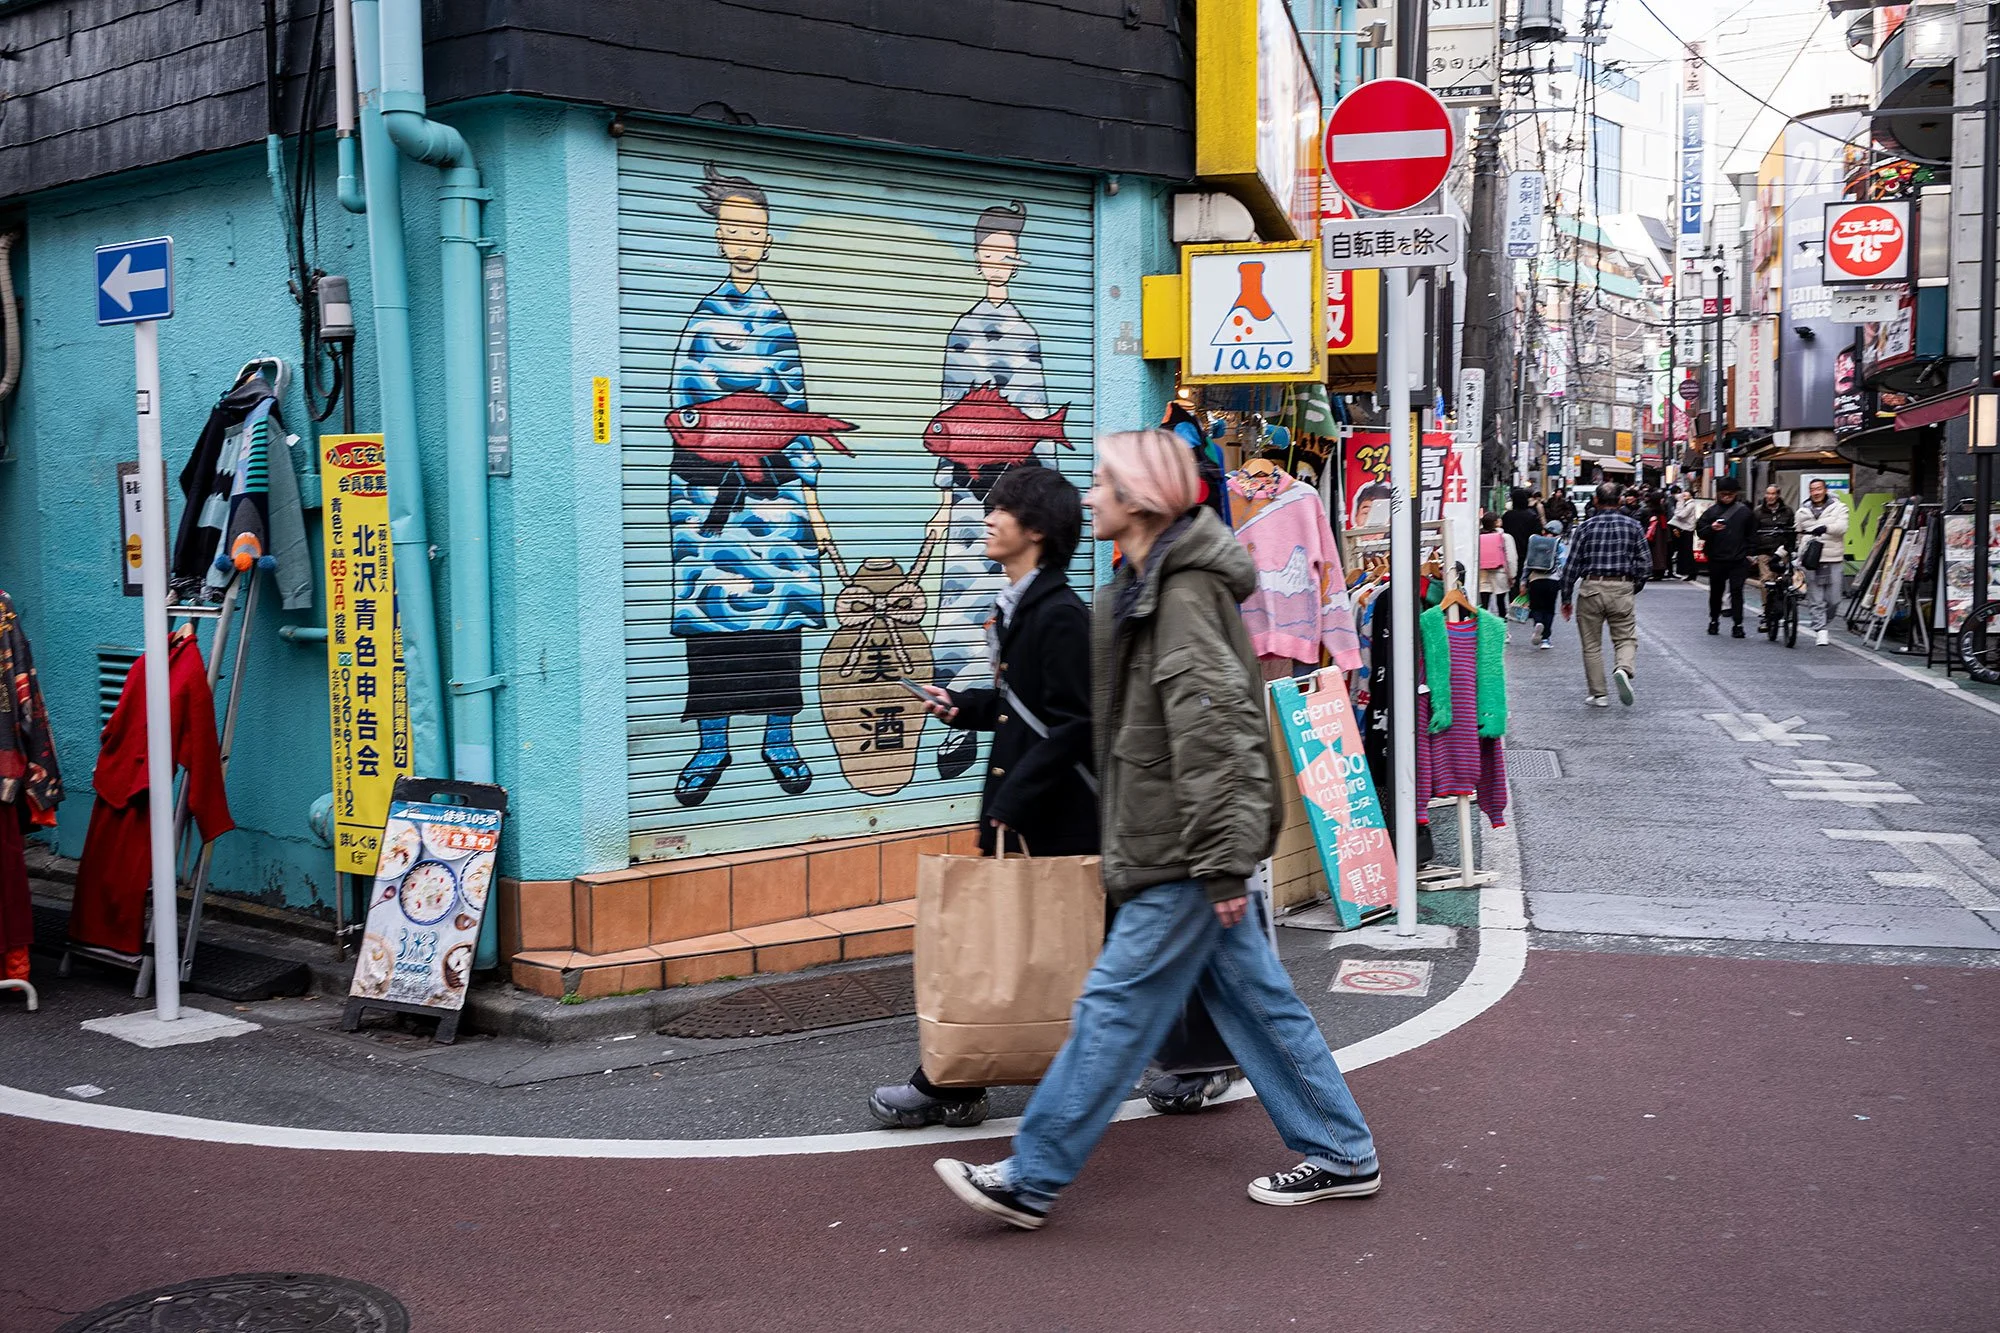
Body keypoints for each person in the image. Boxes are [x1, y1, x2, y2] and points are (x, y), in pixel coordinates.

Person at [933, 429, 1379, 1230]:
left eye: (1105, 483)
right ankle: (1343, 1151)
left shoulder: (1178, 595)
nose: (1091, 496)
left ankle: (1031, 1177)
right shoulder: (1139, 588)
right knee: (1258, 1006)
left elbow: (1216, 733)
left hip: (1183, 852)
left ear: (1140, 501)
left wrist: (1218, 863)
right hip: (1182, 845)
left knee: (1112, 1005)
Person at [871, 465, 1094, 1129]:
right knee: (1049, 953)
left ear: (1037, 531)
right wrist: (962, 707)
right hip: (1026, 810)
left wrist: (1012, 801)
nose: (989, 518)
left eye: (1004, 510)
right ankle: (958, 1078)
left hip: (1051, 819)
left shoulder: (1059, 614)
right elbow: (1022, 705)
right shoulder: (1020, 603)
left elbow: (1076, 722)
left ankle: (951, 1081)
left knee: (1037, 953)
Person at [1560, 481, 1651, 707]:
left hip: (1591, 587)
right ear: (1620, 501)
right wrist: (1634, 585)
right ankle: (1623, 668)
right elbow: (1646, 563)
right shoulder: (1634, 526)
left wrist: (1566, 597)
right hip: (1621, 587)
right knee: (1626, 638)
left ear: (1596, 501)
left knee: (1591, 645)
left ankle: (1599, 694)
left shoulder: (1585, 528)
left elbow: (1571, 565)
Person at [1698, 479, 1758, 637]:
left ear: (1736, 494)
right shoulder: (1711, 512)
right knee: (1716, 592)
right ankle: (1714, 620)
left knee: (1737, 591)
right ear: (1718, 494)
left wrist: (1750, 553)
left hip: (1738, 558)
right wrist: (1711, 528)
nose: (1727, 497)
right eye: (1723, 494)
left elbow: (1752, 534)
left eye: (1730, 494)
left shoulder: (1745, 512)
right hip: (1716, 558)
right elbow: (1700, 531)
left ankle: (1738, 624)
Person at [1795, 478, 1850, 646]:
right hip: (1811, 559)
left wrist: (1826, 528)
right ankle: (1820, 629)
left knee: (1834, 599)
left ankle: (1825, 621)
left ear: (1825, 489)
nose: (1816, 492)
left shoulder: (1839, 508)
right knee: (1816, 597)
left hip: (1833, 557)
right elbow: (1797, 534)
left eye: (1819, 489)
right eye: (1812, 489)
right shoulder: (1802, 512)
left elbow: (1842, 527)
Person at [1752, 483, 1796, 612]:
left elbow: (1792, 530)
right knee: (1766, 581)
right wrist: (1753, 551)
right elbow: (1753, 531)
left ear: (1778, 495)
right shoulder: (1758, 511)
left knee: (1783, 579)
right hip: (1764, 550)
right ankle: (1767, 610)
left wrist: (1791, 547)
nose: (1770, 496)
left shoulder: (1787, 511)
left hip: (1782, 551)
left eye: (1773, 494)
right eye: (1768, 493)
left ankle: (1783, 606)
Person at [1523, 519, 1566, 648]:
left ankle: (1537, 623)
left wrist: (1523, 581)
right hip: (1552, 581)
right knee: (1549, 609)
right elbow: (1563, 564)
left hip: (1535, 579)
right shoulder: (1559, 544)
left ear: (1544, 531)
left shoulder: (1535, 542)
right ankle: (1545, 639)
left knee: (1536, 607)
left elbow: (1527, 564)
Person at [1501, 487, 1544, 592]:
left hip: (1510, 553)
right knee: (1526, 580)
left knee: (1512, 581)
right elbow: (1537, 536)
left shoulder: (1507, 516)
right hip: (1528, 553)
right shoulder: (1532, 516)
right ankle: (1525, 602)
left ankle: (1514, 603)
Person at [1477, 512, 1517, 619]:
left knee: (1484, 604)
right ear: (1497, 522)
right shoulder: (1505, 537)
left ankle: (1484, 628)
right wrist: (1512, 575)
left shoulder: (1478, 537)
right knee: (1501, 602)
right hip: (1500, 573)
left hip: (1482, 573)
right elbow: (1511, 558)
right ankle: (1502, 628)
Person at [1668, 486, 1699, 580]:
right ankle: (1688, 572)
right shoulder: (1687, 503)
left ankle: (1691, 573)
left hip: (1687, 529)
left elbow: (1681, 515)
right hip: (1684, 529)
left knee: (1687, 552)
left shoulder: (1690, 504)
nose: (1683, 494)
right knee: (1685, 552)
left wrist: (1680, 503)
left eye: (1686, 493)